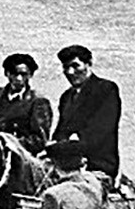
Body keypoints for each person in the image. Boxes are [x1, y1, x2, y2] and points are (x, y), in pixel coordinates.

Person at [52, 44, 122, 182]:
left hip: (97, 166)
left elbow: (101, 132)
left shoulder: (106, 89)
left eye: (75, 66)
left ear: (89, 64)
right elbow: (61, 132)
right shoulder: (66, 97)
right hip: (65, 166)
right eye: (66, 67)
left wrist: (66, 148)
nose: (70, 72)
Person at [0, 53, 53, 155]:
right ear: (7, 74)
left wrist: (10, 142)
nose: (19, 78)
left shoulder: (37, 101)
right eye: (14, 73)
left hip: (21, 157)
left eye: (23, 74)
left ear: (30, 75)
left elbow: (39, 140)